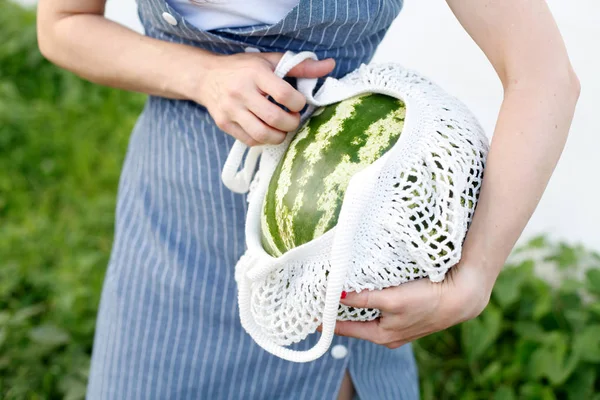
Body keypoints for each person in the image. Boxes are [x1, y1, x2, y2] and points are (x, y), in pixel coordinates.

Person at [36, 0, 580, 399]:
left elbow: (543, 74)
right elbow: (62, 25)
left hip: (342, 268)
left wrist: (475, 278)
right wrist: (201, 75)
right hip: (174, 242)